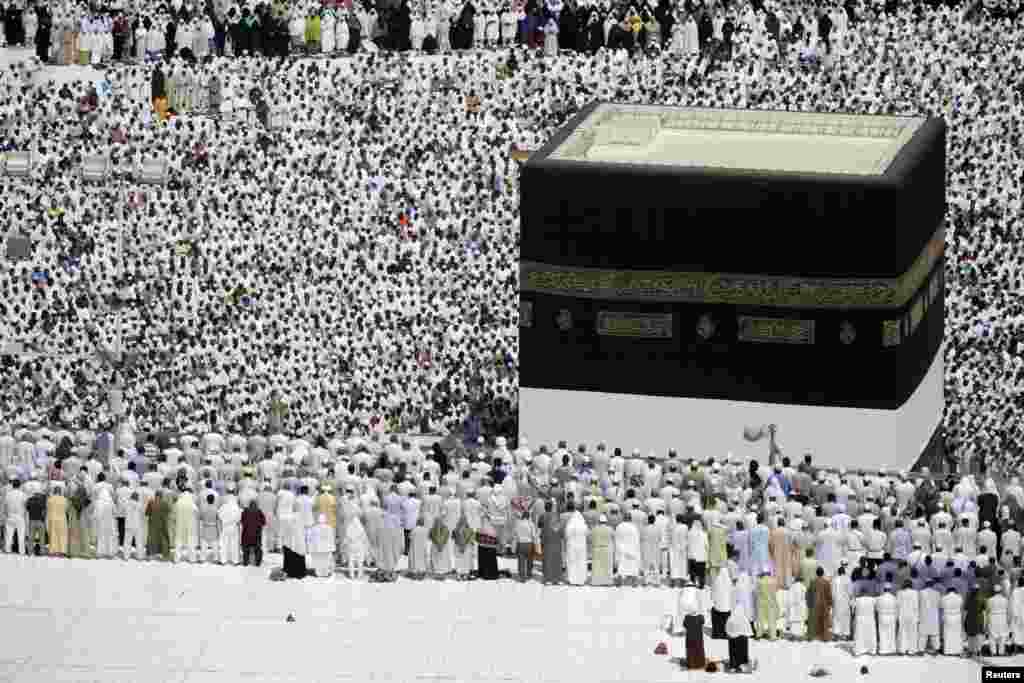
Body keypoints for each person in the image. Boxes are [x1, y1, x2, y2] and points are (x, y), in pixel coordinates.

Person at [679, 581, 706, 669]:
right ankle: (700, 663)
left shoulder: (683, 592)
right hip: (698, 631)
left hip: (690, 633)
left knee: (690, 647)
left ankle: (691, 663)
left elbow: (684, 623)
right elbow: (703, 617)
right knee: (699, 646)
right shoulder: (697, 592)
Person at [725, 600, 752, 672]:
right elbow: (749, 631)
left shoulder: (730, 619)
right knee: (743, 650)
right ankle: (743, 663)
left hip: (733, 640)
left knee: (733, 651)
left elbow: (727, 630)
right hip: (743, 640)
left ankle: (733, 665)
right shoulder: (744, 619)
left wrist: (731, 634)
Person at [565, 502, 588, 585]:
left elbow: (567, 534)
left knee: (572, 562)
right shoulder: (583, 525)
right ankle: (581, 580)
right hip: (581, 547)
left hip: (572, 546)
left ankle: (572, 579)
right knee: (581, 562)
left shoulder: (570, 524)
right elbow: (587, 534)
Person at [541, 502, 564, 585]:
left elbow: (540, 528)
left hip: (548, 542)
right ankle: (557, 579)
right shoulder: (557, 520)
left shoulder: (543, 518)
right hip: (557, 543)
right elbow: (562, 533)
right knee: (557, 561)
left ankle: (548, 579)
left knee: (548, 560)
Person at [616, 512, 641, 587]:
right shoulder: (634, 527)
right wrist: (635, 550)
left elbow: (617, 538)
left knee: (621, 566)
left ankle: (619, 582)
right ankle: (634, 582)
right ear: (630, 518)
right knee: (633, 567)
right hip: (632, 549)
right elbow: (636, 539)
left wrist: (619, 549)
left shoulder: (619, 526)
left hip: (622, 549)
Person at [309, 513, 336, 578]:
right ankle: (323, 573)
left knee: (319, 561)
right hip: (325, 547)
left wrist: (311, 548)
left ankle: (320, 573)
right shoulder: (329, 528)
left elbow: (311, 539)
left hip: (319, 547)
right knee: (324, 561)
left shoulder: (314, 528)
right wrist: (332, 547)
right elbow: (331, 538)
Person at [218, 494, 242, 565]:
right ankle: (235, 561)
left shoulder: (223, 507)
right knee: (234, 544)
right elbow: (239, 518)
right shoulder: (237, 507)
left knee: (224, 544)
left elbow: (219, 515)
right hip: (234, 527)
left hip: (225, 527)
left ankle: (223, 560)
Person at [810, 566, 833, 641]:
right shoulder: (826, 582)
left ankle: (817, 635)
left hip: (815, 604)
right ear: (823, 573)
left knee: (817, 620)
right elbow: (829, 594)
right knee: (825, 621)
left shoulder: (813, 582)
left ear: (816, 573)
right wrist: (830, 603)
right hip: (824, 604)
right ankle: (825, 637)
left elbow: (811, 593)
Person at [711, 561, 733, 639]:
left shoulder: (717, 580)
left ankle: (716, 634)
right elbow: (732, 592)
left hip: (718, 606)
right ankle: (724, 634)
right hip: (727, 607)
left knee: (715, 613)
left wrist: (714, 600)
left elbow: (713, 592)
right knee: (726, 618)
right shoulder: (729, 581)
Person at [897, 580, 919, 655]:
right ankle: (911, 650)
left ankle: (902, 650)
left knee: (903, 633)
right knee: (912, 633)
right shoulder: (915, 593)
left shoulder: (899, 593)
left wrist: (898, 617)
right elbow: (916, 606)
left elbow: (898, 605)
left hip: (902, 615)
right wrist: (917, 617)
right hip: (912, 615)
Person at [241, 500, 266, 567]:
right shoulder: (259, 511)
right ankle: (257, 563)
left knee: (246, 548)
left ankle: (245, 562)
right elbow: (264, 522)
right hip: (257, 533)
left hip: (246, 533)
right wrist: (258, 525)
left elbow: (242, 521)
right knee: (258, 549)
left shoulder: (245, 511)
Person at [46, 484, 69, 557]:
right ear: (60, 492)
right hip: (62, 518)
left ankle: (53, 551)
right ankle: (62, 551)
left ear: (54, 491)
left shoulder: (50, 499)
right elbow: (67, 509)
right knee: (62, 535)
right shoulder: (64, 499)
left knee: (53, 535)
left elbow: (47, 508)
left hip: (52, 518)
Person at [987, 584, 1010, 656]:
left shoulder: (989, 600)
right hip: (1003, 617)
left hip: (993, 617)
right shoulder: (1005, 600)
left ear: (994, 591)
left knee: (992, 635)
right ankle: (1001, 652)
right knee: (1002, 635)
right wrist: (1008, 621)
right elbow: (1008, 611)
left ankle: (993, 652)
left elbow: (988, 611)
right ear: (1001, 591)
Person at [941, 586, 964, 656]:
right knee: (956, 634)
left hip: (948, 616)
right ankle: (957, 650)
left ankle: (948, 651)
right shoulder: (959, 597)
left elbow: (941, 607)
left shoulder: (944, 598)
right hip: (957, 616)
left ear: (948, 591)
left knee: (947, 634)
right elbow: (961, 607)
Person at [756, 572, 779, 640]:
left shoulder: (759, 581)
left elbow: (757, 592)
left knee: (760, 620)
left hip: (761, 602)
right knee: (771, 620)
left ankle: (759, 634)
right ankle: (772, 635)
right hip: (770, 602)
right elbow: (774, 592)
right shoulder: (773, 581)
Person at [515, 511, 537, 583]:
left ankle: (522, 577)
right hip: (529, 544)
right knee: (530, 560)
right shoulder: (531, 524)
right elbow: (533, 535)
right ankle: (529, 573)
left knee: (521, 561)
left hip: (520, 543)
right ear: (528, 517)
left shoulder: (518, 524)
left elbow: (515, 534)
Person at [853, 591, 877, 656]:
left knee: (860, 635)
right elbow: (876, 608)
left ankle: (858, 651)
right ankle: (871, 650)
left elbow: (852, 608)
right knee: (870, 635)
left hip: (860, 619)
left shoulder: (857, 600)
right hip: (870, 619)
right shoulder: (872, 599)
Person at [876, 584, 898, 655]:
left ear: (884, 589)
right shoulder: (894, 598)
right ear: (890, 590)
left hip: (882, 616)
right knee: (891, 633)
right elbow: (896, 608)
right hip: (892, 617)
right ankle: (891, 650)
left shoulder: (879, 598)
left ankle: (883, 650)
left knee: (882, 633)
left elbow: (877, 609)